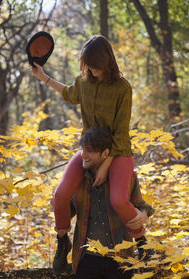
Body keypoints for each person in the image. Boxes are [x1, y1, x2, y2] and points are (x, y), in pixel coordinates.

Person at [31, 34, 144, 243]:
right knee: (61, 194)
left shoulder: (122, 88)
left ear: (107, 61)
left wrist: (105, 164)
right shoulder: (83, 83)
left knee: (118, 200)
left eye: (96, 66)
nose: (92, 70)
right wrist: (44, 77)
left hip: (118, 151)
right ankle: (62, 239)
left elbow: (121, 131)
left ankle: (142, 242)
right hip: (89, 150)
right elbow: (68, 94)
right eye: (89, 66)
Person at [52, 128, 154, 279]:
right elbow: (66, 211)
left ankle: (143, 243)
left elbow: (142, 206)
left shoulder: (124, 180)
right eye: (82, 149)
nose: (83, 155)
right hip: (86, 258)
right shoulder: (77, 181)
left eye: (90, 151)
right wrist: (57, 203)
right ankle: (62, 244)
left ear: (105, 153)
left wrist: (143, 214)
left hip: (120, 258)